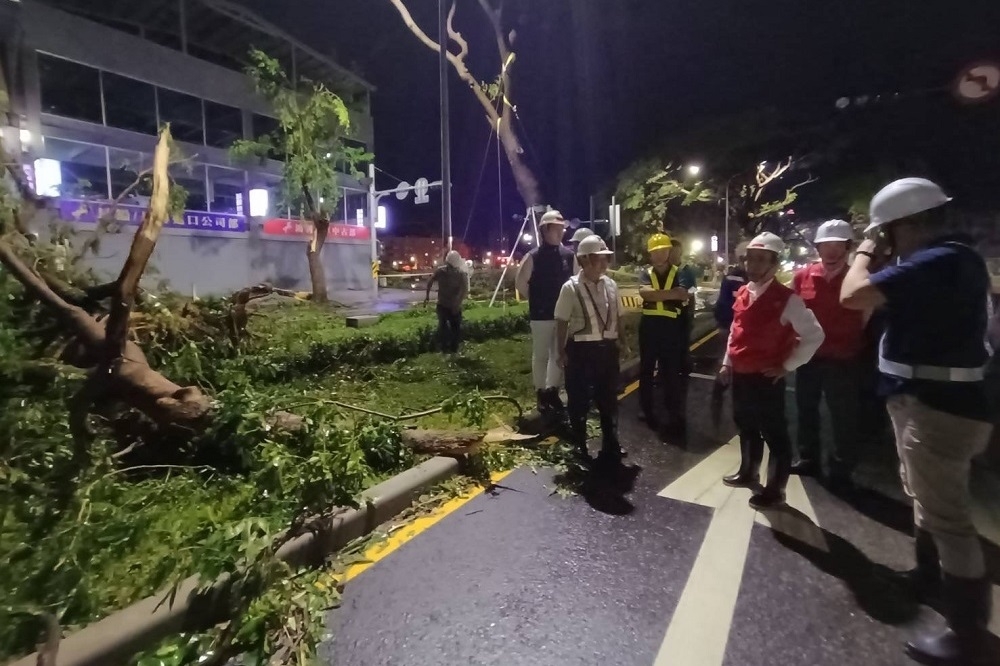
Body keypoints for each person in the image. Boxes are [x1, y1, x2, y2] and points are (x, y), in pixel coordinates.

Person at [840, 178, 995, 665]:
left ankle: (967, 633)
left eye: (886, 232)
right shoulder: (949, 260)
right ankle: (929, 578)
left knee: (947, 517)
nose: (883, 240)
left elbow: (853, 294)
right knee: (925, 498)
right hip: (929, 399)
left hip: (939, 406)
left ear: (906, 225)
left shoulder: (939, 261)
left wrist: (863, 252)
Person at [717, 232, 825, 509]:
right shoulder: (743, 292)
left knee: (775, 433)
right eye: (750, 259)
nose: (752, 265)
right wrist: (727, 363)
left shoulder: (787, 300)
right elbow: (735, 332)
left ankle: (775, 489)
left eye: (761, 260)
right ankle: (748, 471)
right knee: (746, 425)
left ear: (774, 265)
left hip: (766, 377)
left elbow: (814, 336)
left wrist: (786, 366)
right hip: (741, 373)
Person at [791, 220, 867, 490]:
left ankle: (841, 467)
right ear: (818, 248)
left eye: (838, 246)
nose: (832, 252)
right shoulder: (803, 277)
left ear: (848, 248)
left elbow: (866, 316)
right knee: (806, 409)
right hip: (810, 356)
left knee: (843, 414)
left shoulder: (857, 279)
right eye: (827, 246)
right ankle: (808, 458)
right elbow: (794, 313)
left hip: (843, 357)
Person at [555, 235, 622, 467]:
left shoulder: (611, 285)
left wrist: (620, 341)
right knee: (579, 399)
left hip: (607, 349)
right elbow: (561, 321)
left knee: (609, 399)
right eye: (598, 259)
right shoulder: (570, 288)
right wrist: (560, 351)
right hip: (581, 351)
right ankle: (580, 444)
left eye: (606, 259)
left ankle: (611, 442)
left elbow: (617, 316)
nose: (604, 264)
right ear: (584, 260)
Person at [515, 210, 576, 416]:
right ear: (544, 230)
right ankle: (540, 392)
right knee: (540, 355)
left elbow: (576, 283)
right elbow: (521, 283)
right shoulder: (533, 257)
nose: (560, 232)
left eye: (562, 228)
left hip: (562, 316)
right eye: (556, 228)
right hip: (541, 315)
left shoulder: (569, 256)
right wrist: (536, 299)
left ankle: (552, 391)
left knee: (558, 354)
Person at [638, 233, 691, 433]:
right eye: (656, 252)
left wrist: (656, 295)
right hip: (649, 327)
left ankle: (673, 412)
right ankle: (646, 409)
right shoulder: (646, 273)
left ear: (669, 251)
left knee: (670, 371)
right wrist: (671, 295)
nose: (660, 255)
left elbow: (683, 294)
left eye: (663, 250)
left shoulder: (680, 272)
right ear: (651, 254)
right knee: (646, 370)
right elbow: (645, 293)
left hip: (671, 328)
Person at [712, 241, 749, 405]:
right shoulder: (731, 278)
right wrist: (723, 325)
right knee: (726, 361)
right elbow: (723, 304)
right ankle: (720, 388)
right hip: (730, 327)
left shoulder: (760, 277)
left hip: (749, 331)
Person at [425, 250, 469, 355]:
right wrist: (457, 304)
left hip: (442, 305)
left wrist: (427, 296)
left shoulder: (440, 271)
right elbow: (464, 291)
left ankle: (444, 349)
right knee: (456, 329)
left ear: (447, 261)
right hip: (454, 307)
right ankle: (454, 350)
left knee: (443, 327)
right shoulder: (461, 274)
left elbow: (430, 281)